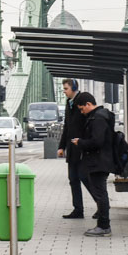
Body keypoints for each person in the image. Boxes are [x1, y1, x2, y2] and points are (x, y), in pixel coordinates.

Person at [71, 92, 114, 237]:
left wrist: (80, 143)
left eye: (82, 109)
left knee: (100, 193)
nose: (82, 112)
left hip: (98, 161)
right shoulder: (100, 116)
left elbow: (97, 141)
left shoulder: (98, 118)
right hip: (100, 160)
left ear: (89, 104)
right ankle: (103, 224)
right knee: (100, 192)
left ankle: (103, 226)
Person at [58, 78, 93, 219]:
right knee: (73, 179)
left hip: (82, 147)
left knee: (85, 177)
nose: (64, 92)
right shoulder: (68, 103)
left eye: (66, 89)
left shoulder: (82, 101)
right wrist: (61, 146)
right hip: (72, 148)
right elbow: (67, 127)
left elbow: (89, 126)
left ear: (73, 88)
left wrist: (85, 143)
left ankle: (102, 204)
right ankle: (78, 209)